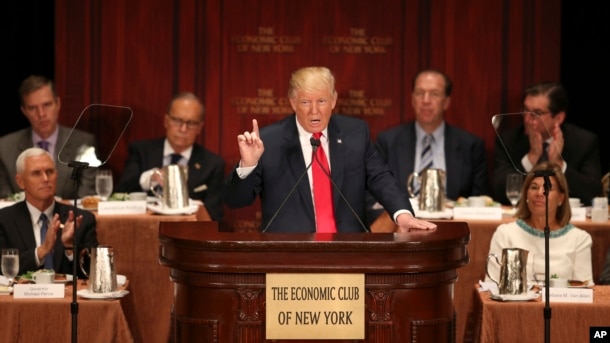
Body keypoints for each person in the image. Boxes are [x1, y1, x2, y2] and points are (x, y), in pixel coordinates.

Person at [224, 66, 437, 233]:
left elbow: (381, 178)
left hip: (347, 252)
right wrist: (248, 165)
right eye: (306, 102)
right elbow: (235, 200)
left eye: (322, 101)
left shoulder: (355, 133)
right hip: (289, 254)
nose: (314, 111)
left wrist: (403, 214)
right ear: (292, 102)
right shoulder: (269, 140)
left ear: (334, 100)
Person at [369, 69, 489, 220]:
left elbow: (479, 200)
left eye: (434, 94)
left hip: (453, 228)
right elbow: (373, 194)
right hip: (401, 227)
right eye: (420, 93)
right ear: (412, 99)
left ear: (446, 102)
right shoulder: (388, 141)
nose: (426, 100)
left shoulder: (470, 145)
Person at [115, 92, 226, 221]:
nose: (183, 129)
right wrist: (149, 178)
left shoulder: (212, 164)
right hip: (143, 227)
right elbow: (120, 193)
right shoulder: (141, 151)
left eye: (191, 123)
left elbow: (214, 216)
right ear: (166, 121)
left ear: (199, 128)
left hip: (188, 233)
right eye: (177, 121)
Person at [492, 81, 602, 206]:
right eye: (525, 110)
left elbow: (593, 192)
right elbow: (499, 192)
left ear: (558, 118)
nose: (527, 119)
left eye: (536, 113)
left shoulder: (583, 142)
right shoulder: (508, 140)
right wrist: (531, 158)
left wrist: (559, 165)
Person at [485, 161, 593, 284]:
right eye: (534, 187)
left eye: (547, 188)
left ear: (561, 198)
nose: (539, 193)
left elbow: (584, 292)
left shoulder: (579, 239)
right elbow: (490, 288)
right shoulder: (505, 234)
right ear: (526, 194)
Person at [0, 148, 99, 276]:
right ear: (20, 181)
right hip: (22, 295)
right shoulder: (4, 220)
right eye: (36, 173)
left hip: (67, 295)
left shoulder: (81, 219)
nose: (46, 178)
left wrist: (70, 247)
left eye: (50, 172)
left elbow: (95, 272)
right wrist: (41, 251)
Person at [0, 75, 98, 200]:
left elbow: (86, 200)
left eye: (47, 105)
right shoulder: (4, 148)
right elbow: (5, 203)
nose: (41, 114)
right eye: (32, 108)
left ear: (58, 104)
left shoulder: (84, 144)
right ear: (24, 111)